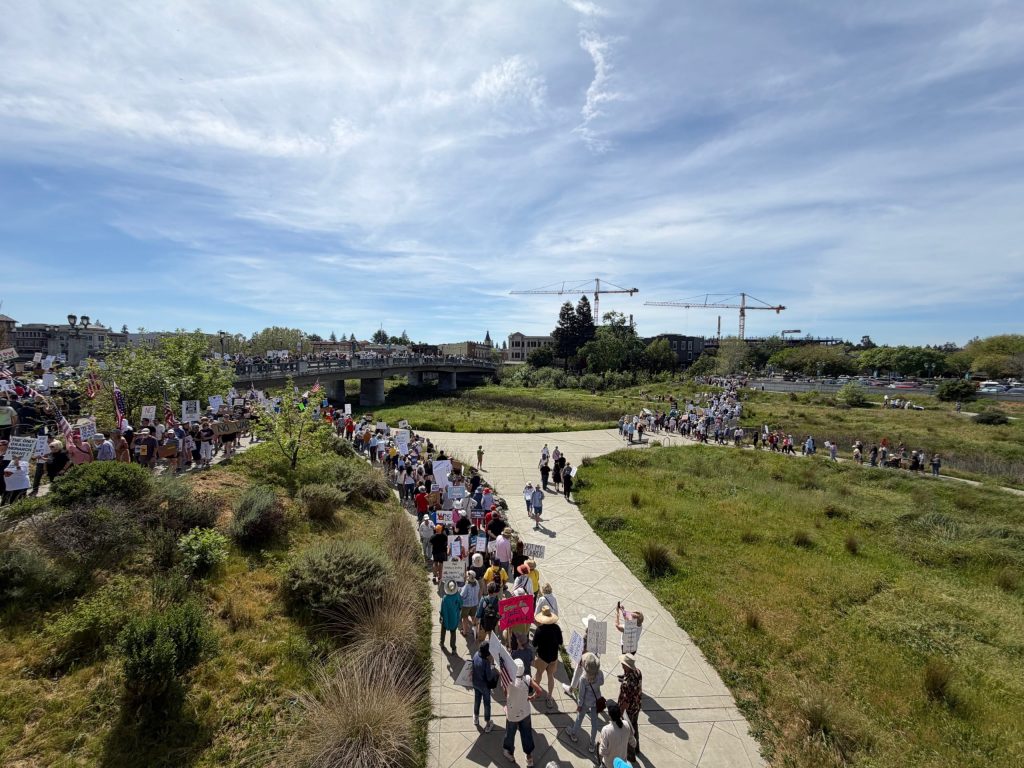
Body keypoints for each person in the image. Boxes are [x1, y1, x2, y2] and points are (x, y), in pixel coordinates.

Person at [503, 657, 542, 766]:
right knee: (527, 734)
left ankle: (509, 752)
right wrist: (532, 697)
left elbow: (505, 694)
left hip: (512, 714)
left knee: (510, 733)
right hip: (525, 712)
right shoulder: (527, 679)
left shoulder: (508, 680)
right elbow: (539, 691)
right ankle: (529, 758)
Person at [567, 652, 604, 752]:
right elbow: (602, 682)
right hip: (596, 701)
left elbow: (581, 694)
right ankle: (592, 744)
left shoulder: (583, 678)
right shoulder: (600, 674)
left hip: (585, 702)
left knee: (580, 718)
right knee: (594, 723)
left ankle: (573, 734)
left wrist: (579, 705)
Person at [531, 605, 563, 708]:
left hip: (542, 657)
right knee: (551, 676)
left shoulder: (539, 630)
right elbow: (561, 642)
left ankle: (537, 693)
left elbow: (534, 644)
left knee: (538, 674)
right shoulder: (557, 628)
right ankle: (549, 697)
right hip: (553, 657)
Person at [617, 654, 643, 759]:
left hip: (629, 711)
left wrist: (620, 713)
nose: (622, 666)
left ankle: (631, 755)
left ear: (627, 666)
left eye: (623, 664)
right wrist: (624, 678)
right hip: (637, 706)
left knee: (628, 732)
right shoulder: (638, 672)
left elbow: (626, 702)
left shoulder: (627, 683)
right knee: (634, 726)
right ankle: (637, 748)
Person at [598, 701, 636, 768]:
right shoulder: (627, 724)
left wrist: (601, 742)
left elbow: (602, 752)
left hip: (608, 764)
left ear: (609, 715)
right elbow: (634, 743)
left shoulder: (606, 730)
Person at [471, 643, 498, 732]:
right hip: (484, 687)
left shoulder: (475, 655)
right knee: (487, 704)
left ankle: (476, 717)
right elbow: (489, 677)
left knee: (477, 700)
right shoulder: (486, 662)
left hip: (475, 683)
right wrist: (493, 669)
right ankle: (487, 723)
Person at [439, 580, 463, 653]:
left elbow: (442, 609)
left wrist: (441, 616)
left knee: (443, 630)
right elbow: (461, 604)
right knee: (453, 633)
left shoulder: (445, 598)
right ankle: (453, 648)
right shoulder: (457, 595)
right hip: (454, 617)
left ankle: (441, 643)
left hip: (446, 618)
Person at [460, 569, 481, 638]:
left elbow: (462, 595)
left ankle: (465, 632)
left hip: (466, 605)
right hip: (474, 604)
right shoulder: (477, 582)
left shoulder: (467, 585)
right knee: (473, 617)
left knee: (465, 618)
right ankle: (476, 633)